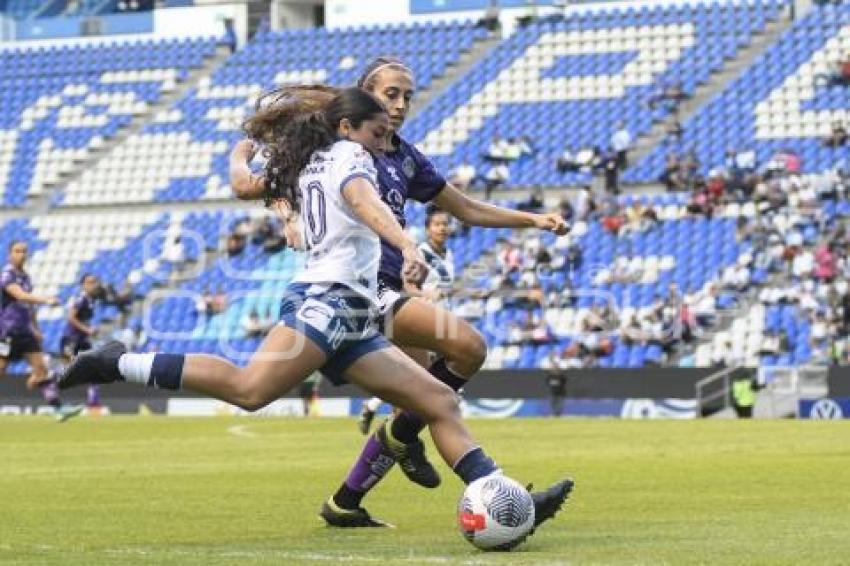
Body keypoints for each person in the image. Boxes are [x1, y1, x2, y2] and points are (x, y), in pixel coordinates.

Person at [61, 87, 571, 539]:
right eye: (375, 130)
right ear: (349, 127)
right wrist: (404, 242)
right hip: (326, 301)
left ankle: (502, 496)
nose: (382, 139)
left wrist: (240, 154)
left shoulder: (311, 160)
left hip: (354, 313)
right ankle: (116, 362)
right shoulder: (352, 156)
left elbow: (244, 185)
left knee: (437, 399)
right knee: (250, 390)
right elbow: (363, 200)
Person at [229, 60, 570, 528]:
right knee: (467, 347)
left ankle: (351, 497)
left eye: (407, 96)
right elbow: (277, 183)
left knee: (428, 400)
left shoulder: (406, 158)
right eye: (390, 94)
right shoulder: (338, 149)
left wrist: (531, 220)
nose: (400, 105)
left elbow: (465, 207)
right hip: (363, 293)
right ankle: (474, 479)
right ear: (365, 96)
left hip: (384, 291)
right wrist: (287, 214)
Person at [358, 206, 455, 435]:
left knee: (422, 373)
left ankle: (379, 408)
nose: (442, 228)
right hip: (421, 319)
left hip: (442, 318)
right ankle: (405, 421)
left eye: (445, 224)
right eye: (437, 224)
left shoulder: (448, 254)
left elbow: (443, 287)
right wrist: (426, 295)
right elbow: (406, 287)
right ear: (428, 228)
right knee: (423, 372)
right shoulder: (419, 253)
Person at [0, 241, 81, 421]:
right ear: (10, 254)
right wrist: (46, 300)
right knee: (1, 369)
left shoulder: (26, 278)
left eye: (24, 251)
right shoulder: (7, 275)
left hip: (25, 332)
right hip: (7, 331)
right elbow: (20, 295)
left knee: (41, 370)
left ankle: (58, 409)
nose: (21, 254)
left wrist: (35, 328)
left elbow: (28, 306)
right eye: (17, 251)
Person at [58, 272, 103, 412]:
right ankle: (54, 397)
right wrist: (88, 330)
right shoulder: (81, 299)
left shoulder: (91, 300)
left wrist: (89, 330)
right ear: (83, 285)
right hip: (70, 339)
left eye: (95, 281)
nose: (93, 285)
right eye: (90, 282)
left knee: (94, 368)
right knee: (67, 371)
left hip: (82, 340)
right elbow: (71, 317)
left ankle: (94, 401)